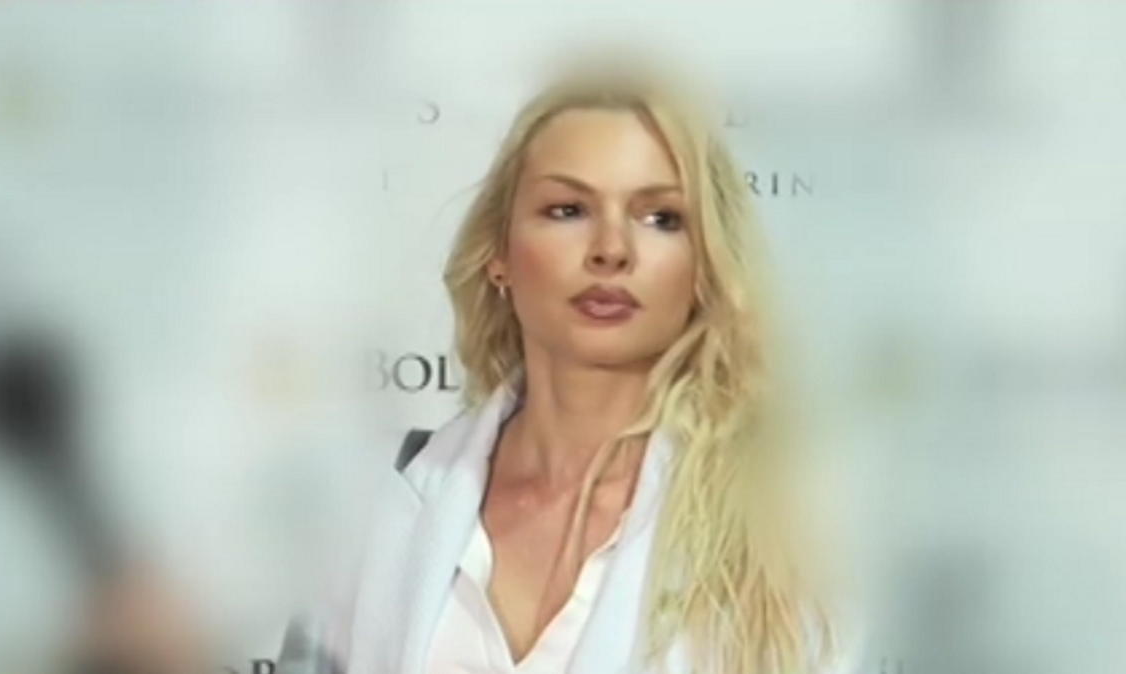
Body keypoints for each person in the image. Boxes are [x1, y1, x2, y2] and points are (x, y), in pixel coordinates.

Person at [281, 55, 858, 674]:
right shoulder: (381, 507)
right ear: (499, 255)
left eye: (660, 218)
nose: (611, 250)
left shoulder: (786, 533)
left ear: (704, 265)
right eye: (568, 210)